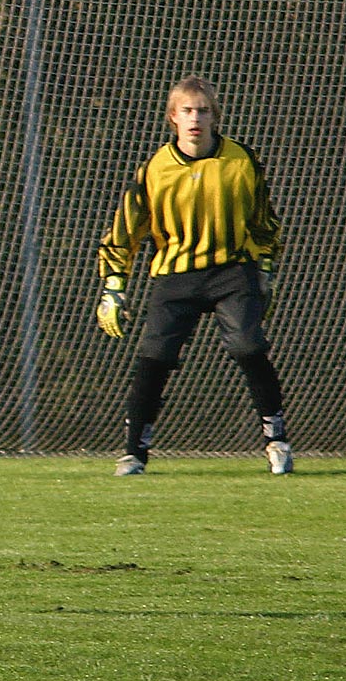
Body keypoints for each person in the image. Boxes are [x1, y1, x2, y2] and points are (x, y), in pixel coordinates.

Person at [97, 74, 291, 476]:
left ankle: (276, 441)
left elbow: (263, 222)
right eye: (187, 110)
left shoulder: (241, 160)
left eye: (203, 110)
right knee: (155, 357)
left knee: (248, 346)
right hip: (175, 277)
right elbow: (126, 229)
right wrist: (113, 286)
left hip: (232, 271)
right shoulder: (154, 169)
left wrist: (266, 273)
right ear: (173, 117)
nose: (195, 118)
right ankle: (135, 452)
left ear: (215, 116)